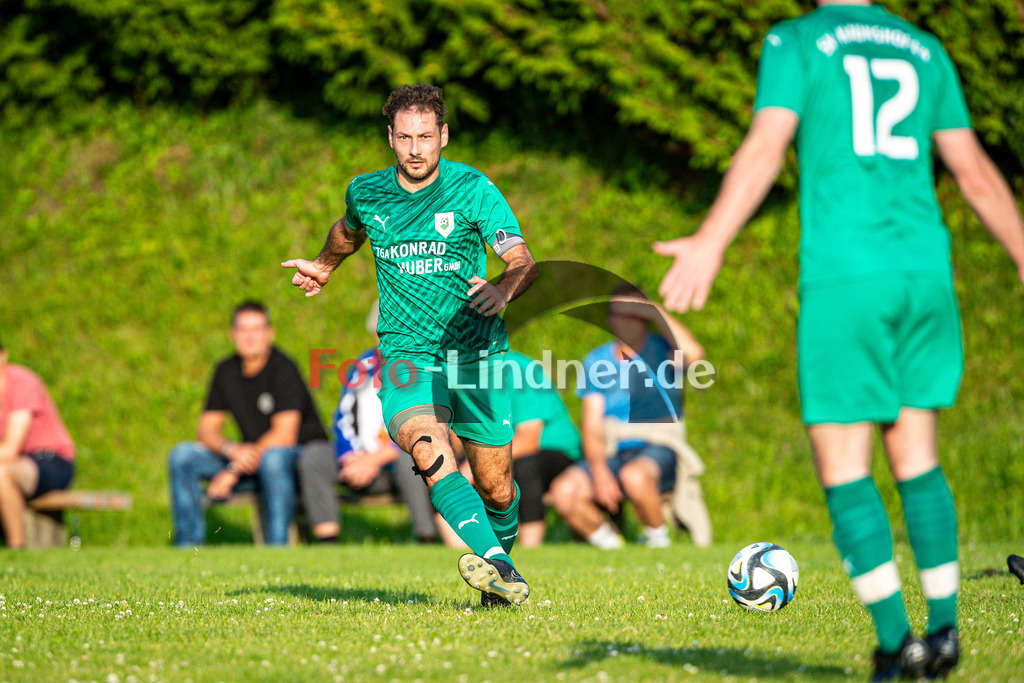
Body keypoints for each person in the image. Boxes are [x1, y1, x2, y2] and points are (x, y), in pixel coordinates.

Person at [654, 1, 1024, 678]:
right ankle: (944, 631)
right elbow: (971, 171)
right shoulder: (922, 48)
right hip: (925, 272)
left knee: (844, 462)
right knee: (916, 452)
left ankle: (896, 641)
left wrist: (711, 240)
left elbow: (766, 147)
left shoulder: (796, 41)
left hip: (848, 276)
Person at [282, 84, 538, 606]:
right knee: (427, 446)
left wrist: (502, 288)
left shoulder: (473, 189)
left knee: (497, 488)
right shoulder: (367, 191)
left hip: (475, 356)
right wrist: (325, 265)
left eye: (426, 136)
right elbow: (348, 231)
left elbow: (522, 262)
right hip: (406, 356)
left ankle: (499, 582)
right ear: (390, 139)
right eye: (405, 137)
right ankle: (500, 566)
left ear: (443, 136)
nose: (416, 148)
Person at [548, 284, 710, 550]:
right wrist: (599, 472)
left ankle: (658, 541)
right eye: (617, 313)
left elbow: (695, 354)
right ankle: (612, 546)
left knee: (633, 476)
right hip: (613, 449)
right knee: (563, 492)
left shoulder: (663, 350)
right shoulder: (596, 359)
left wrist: (656, 312)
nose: (624, 320)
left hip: (658, 445)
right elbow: (591, 425)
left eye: (633, 312)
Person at [167, 301, 329, 547]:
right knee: (182, 456)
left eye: (257, 329)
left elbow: (284, 435)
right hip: (247, 459)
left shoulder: (284, 368)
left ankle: (277, 548)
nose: (250, 336)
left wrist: (232, 470)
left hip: (293, 461)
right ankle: (187, 548)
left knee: (273, 459)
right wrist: (231, 451)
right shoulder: (225, 371)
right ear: (232, 335)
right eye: (243, 329)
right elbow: (206, 429)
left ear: (269, 333)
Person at [298, 301, 439, 544]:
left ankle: (425, 537)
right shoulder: (362, 366)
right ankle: (327, 541)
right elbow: (343, 418)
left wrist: (375, 459)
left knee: (414, 458)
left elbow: (424, 427)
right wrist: (351, 456)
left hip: (398, 460)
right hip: (357, 460)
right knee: (314, 457)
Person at [436, 349, 583, 548]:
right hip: (497, 451)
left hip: (552, 449)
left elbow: (528, 440)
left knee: (524, 467)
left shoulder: (521, 370)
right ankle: (466, 553)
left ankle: (531, 549)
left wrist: (472, 469)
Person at [0, 335, 76, 549]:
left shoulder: (23, 383)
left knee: (1, 473)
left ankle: (17, 548)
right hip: (17, 462)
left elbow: (10, 449)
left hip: (51, 461)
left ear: (3, 356)